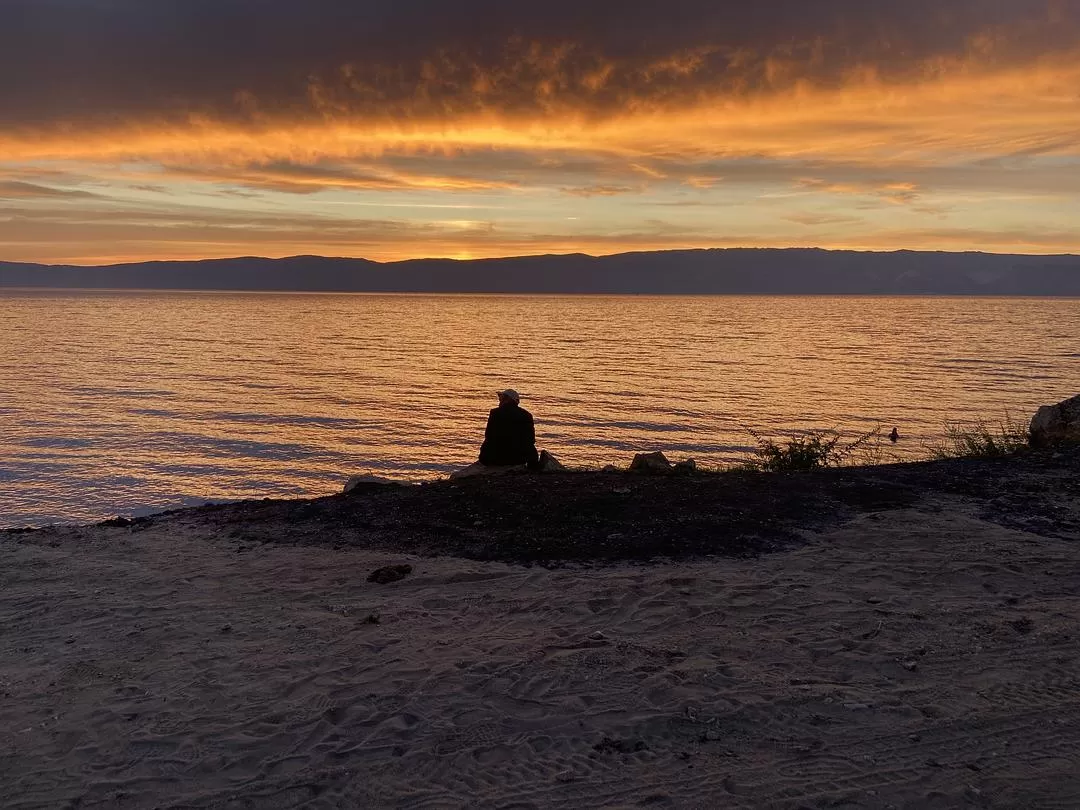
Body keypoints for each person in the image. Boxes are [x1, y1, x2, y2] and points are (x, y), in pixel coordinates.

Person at [479, 389, 539, 469]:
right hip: (519, 459)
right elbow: (530, 439)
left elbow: (489, 435)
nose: (499, 400)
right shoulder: (526, 415)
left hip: (494, 459)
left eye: (501, 398)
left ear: (508, 399)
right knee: (530, 447)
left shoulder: (495, 413)